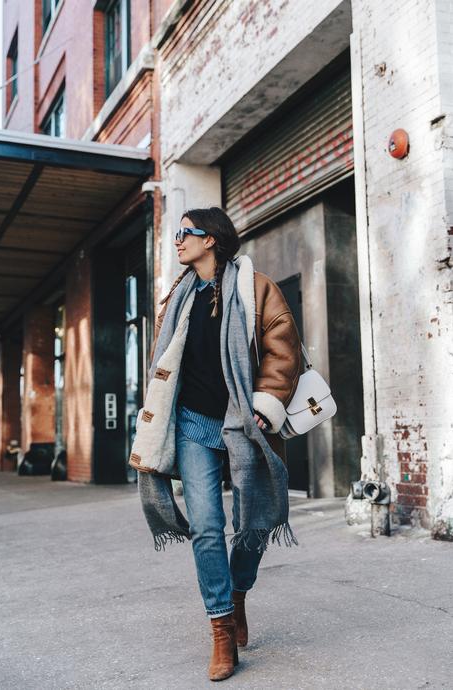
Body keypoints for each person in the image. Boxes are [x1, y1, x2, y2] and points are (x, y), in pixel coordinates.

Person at [129, 207, 302, 681]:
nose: (179, 240)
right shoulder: (178, 298)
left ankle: (239, 591)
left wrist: (265, 406)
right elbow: (165, 360)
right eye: (178, 234)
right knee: (207, 525)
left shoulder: (256, 288)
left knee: (254, 519)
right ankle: (221, 626)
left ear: (212, 240)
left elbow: (282, 349)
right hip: (190, 423)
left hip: (244, 422)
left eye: (187, 233)